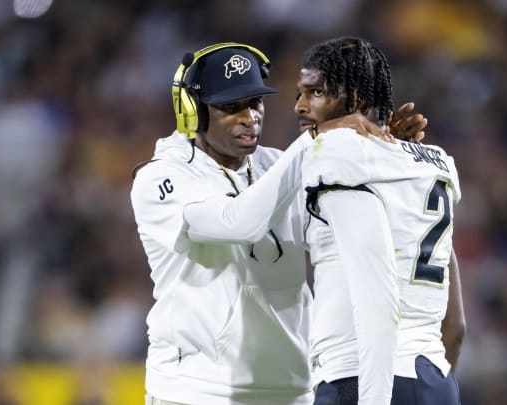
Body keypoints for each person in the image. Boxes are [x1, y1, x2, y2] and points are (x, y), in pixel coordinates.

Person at [130, 42, 426, 405]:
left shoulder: (278, 163)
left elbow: (341, 229)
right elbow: (238, 222)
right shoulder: (161, 178)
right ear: (193, 111)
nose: (249, 117)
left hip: (292, 390)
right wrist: (318, 139)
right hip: (196, 391)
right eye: (229, 107)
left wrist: (386, 150)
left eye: (255, 102)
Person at [295, 36, 465, 405]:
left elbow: (248, 216)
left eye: (316, 93)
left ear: (352, 100)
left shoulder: (335, 156)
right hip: (434, 379)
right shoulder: (439, 162)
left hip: (357, 376)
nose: (302, 106)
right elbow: (456, 326)